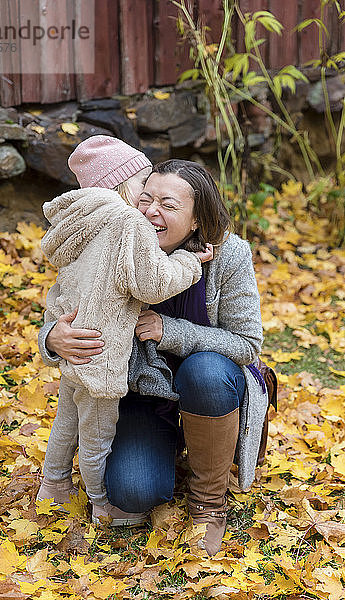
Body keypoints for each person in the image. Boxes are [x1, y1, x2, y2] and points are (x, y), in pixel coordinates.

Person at [38, 158, 267, 556]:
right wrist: (52, 337)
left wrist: (170, 331)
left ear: (197, 220)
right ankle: (170, 443)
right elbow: (64, 302)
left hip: (208, 384)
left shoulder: (229, 255)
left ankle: (208, 505)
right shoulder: (115, 240)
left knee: (206, 372)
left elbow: (247, 343)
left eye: (168, 204)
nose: (151, 212)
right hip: (143, 396)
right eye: (146, 199)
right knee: (134, 492)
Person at [37, 137, 213, 526]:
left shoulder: (85, 222)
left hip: (81, 356)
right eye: (144, 189)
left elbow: (62, 288)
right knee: (96, 438)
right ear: (125, 185)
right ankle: (101, 503)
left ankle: (53, 485)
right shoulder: (128, 223)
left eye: (165, 202)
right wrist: (187, 262)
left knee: (66, 424)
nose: (148, 206)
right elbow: (150, 283)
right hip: (102, 360)